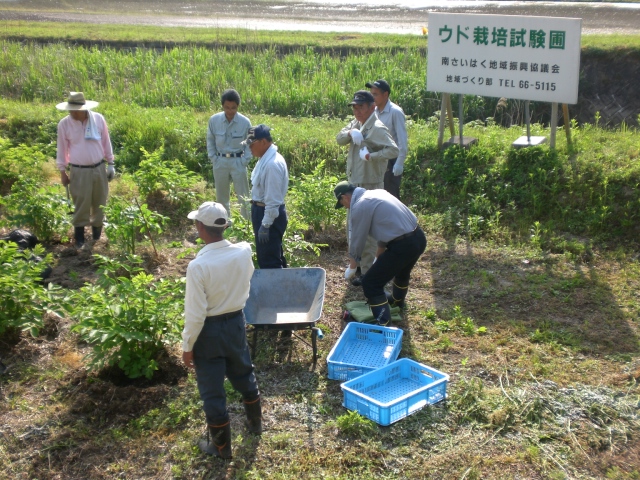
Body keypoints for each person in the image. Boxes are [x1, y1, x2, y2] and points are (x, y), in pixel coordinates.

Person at [182, 201, 262, 460]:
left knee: (212, 389)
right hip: (236, 322)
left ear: (200, 228)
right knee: (243, 370)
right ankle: (255, 424)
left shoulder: (198, 266)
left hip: (209, 331)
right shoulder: (243, 251)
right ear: (224, 227)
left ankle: (221, 448)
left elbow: (195, 315)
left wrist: (187, 346)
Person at [333, 181, 426, 326]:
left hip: (402, 245)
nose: (345, 207)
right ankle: (397, 302)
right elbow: (385, 232)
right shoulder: (377, 193)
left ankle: (383, 324)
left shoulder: (360, 206)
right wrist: (378, 258)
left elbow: (357, 239)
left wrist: (352, 266)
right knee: (402, 272)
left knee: (371, 283)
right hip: (418, 238)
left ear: (344, 197)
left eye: (342, 204)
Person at [336, 90, 399, 285]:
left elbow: (393, 149)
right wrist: (349, 133)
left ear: (372, 107)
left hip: (370, 184)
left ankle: (369, 272)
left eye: (361, 107)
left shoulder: (377, 127)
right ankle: (360, 268)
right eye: (355, 107)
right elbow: (339, 139)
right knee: (354, 228)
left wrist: (372, 156)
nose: (357, 111)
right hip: (356, 183)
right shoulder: (356, 123)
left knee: (369, 231)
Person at [56, 91, 115, 249]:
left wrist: (111, 164)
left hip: (98, 168)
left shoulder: (98, 119)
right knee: (81, 203)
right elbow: (62, 149)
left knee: (99, 202)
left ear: (83, 109)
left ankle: (96, 238)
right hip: (79, 170)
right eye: (70, 109)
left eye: (74, 110)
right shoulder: (65, 124)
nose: (71, 113)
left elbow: (105, 142)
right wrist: (62, 171)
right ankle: (80, 241)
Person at [246, 124, 289, 269]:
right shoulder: (264, 159)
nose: (249, 148)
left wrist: (265, 225)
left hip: (268, 216)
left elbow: (273, 200)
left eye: (252, 144)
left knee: (269, 261)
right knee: (272, 255)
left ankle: (277, 290)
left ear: (263, 141)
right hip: (262, 212)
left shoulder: (272, 164)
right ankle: (283, 287)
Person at [206, 89, 252, 220]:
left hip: (238, 161)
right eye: (227, 107)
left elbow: (250, 143)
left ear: (238, 106)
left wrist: (244, 161)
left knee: (244, 196)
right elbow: (210, 140)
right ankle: (225, 225)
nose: (230, 111)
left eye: (233, 108)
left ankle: (247, 226)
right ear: (222, 106)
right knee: (221, 197)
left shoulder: (246, 122)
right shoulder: (214, 120)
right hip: (220, 161)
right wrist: (213, 158)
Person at [365, 79, 408, 199]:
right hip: (376, 158)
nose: (372, 97)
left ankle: (396, 217)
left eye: (375, 94)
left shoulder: (395, 112)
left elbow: (402, 140)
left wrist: (399, 163)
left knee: (391, 194)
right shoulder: (374, 111)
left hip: (390, 159)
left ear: (385, 94)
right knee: (377, 193)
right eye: (371, 94)